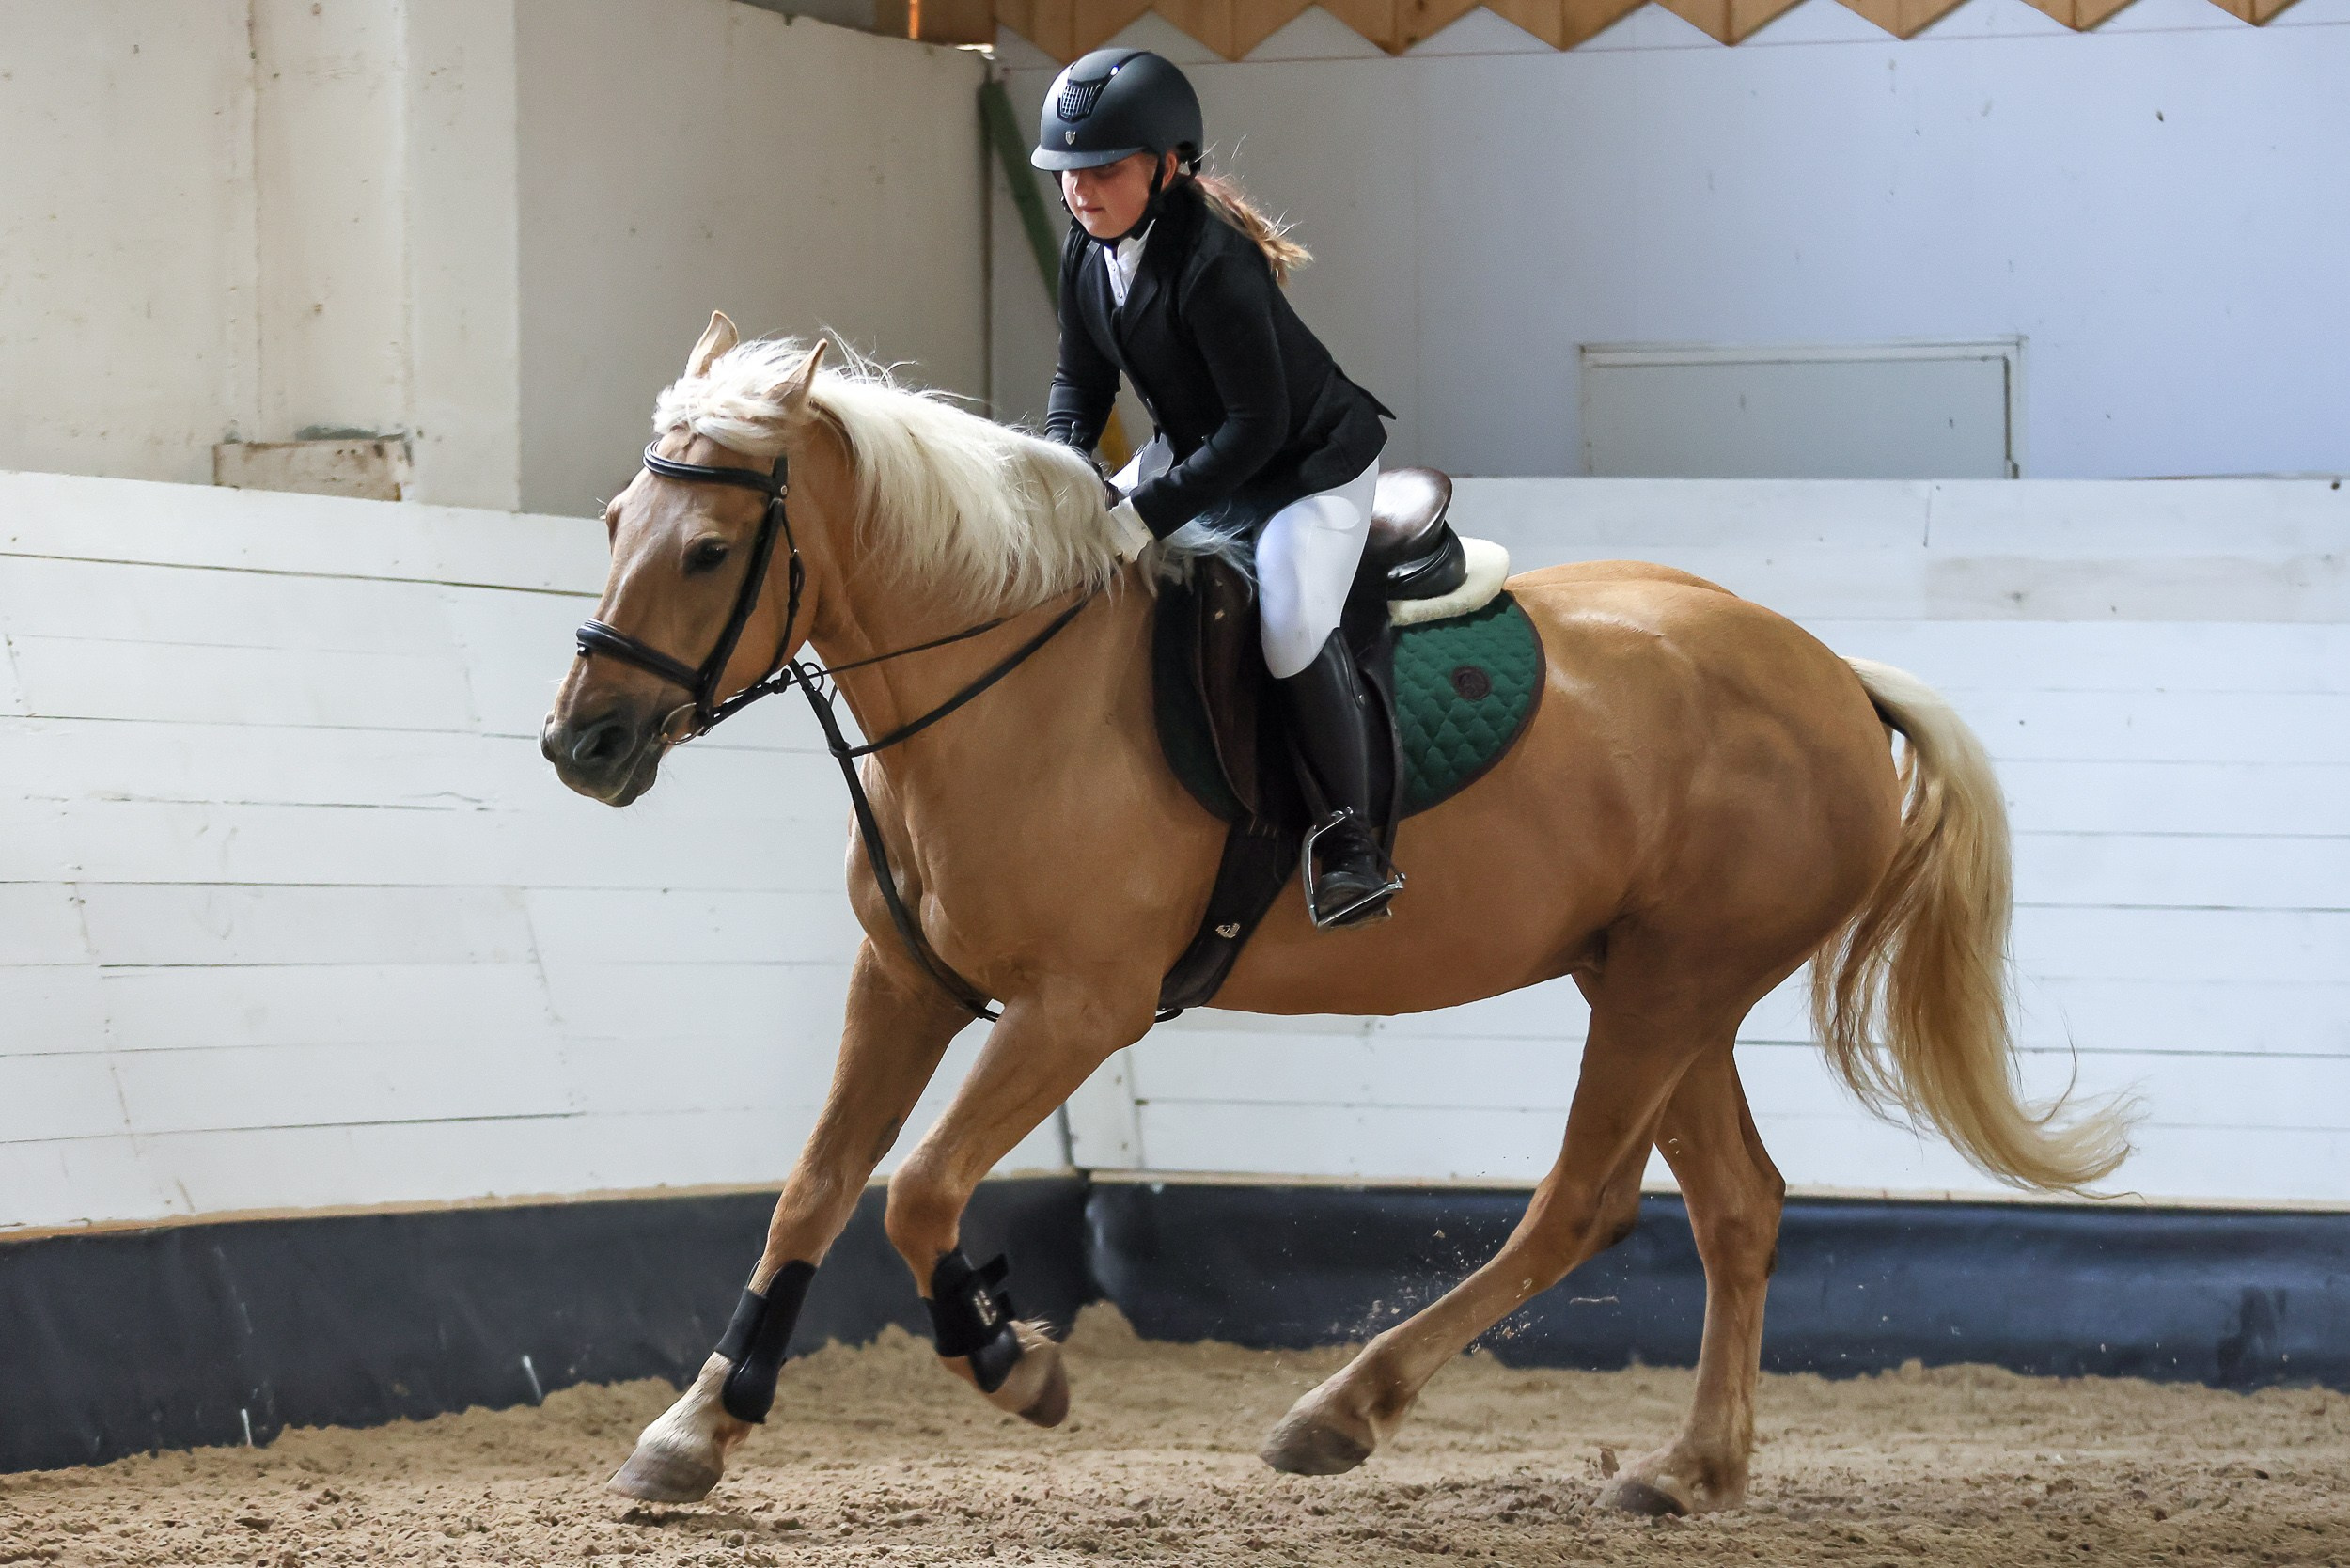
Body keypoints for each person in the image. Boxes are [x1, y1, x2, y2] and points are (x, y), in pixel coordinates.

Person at [1032, 49, 1402, 929]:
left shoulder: (1215, 264)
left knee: (1289, 622)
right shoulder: (1088, 249)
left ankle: (1352, 843)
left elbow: (1256, 430)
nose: (1080, 189)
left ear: (1167, 167)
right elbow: (1080, 383)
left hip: (1304, 469)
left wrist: (1143, 517)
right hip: (1199, 453)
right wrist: (1062, 474)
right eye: (1069, 172)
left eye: (1104, 169)